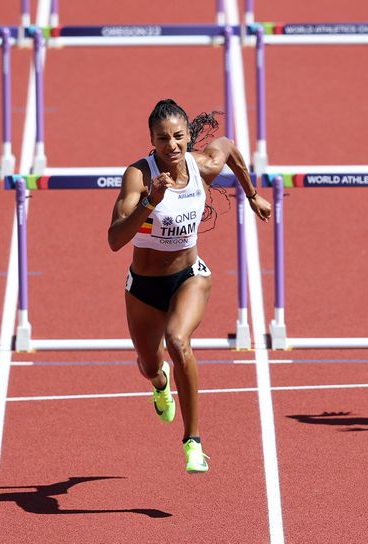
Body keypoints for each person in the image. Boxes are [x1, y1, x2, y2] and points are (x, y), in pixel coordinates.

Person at [107, 99, 271, 472]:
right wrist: (150, 201)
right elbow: (115, 240)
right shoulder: (138, 176)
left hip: (189, 277)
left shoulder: (200, 166)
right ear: (151, 139)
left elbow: (227, 147)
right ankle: (160, 383)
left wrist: (251, 194)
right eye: (163, 138)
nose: (172, 146)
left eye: (179, 137)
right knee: (150, 364)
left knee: (178, 341)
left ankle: (193, 441)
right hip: (144, 288)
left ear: (187, 137)